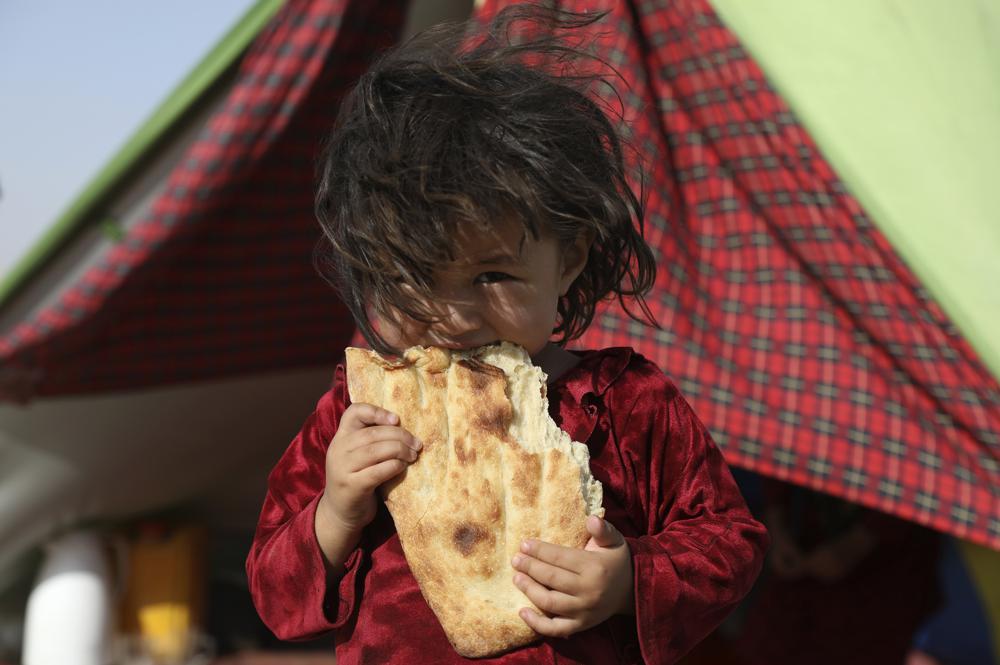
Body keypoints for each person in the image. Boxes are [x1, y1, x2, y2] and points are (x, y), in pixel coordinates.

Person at [246, 6, 768, 664]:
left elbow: (731, 540)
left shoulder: (629, 402)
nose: (456, 315)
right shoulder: (359, 414)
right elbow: (274, 594)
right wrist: (335, 510)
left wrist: (632, 576)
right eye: (412, 277)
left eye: (493, 273)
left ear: (570, 259)